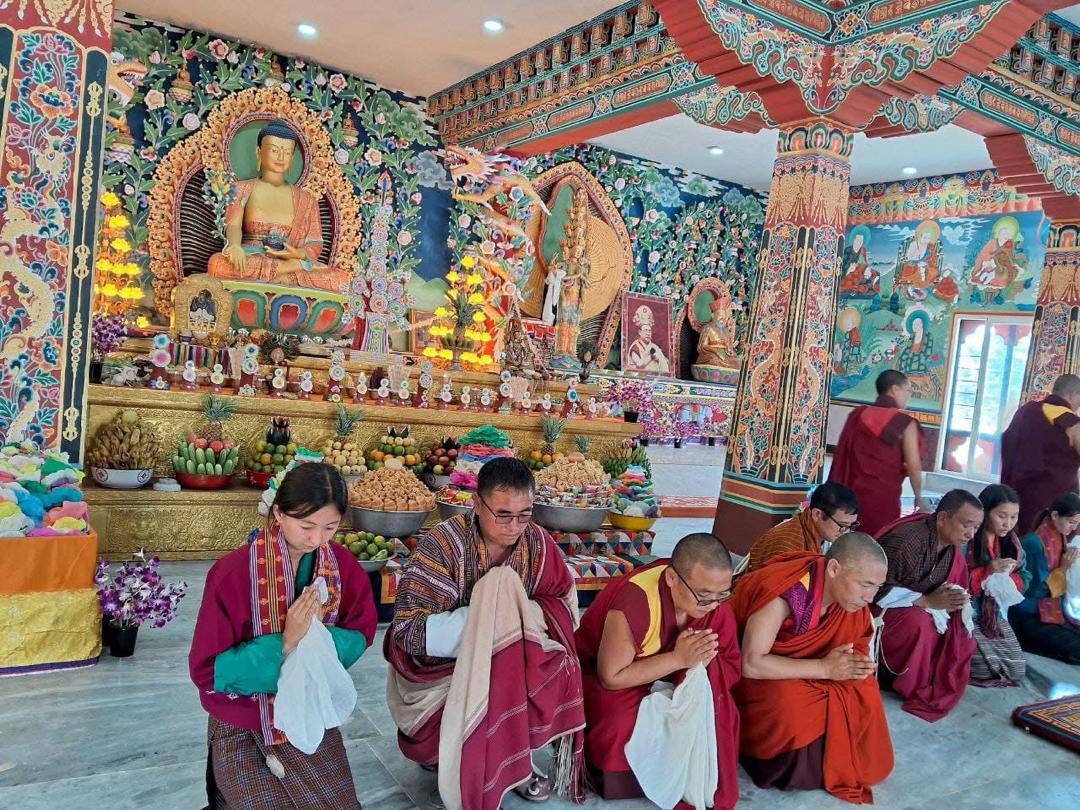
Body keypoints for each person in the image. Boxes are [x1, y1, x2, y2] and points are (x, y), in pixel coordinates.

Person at [385, 458, 585, 810]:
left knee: (549, 661)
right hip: (442, 671)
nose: (514, 526)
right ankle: (454, 751)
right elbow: (409, 631)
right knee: (501, 597)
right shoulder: (442, 546)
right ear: (477, 505)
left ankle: (518, 763)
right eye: (503, 514)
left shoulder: (536, 543)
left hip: (513, 659)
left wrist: (513, 623)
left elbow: (562, 603)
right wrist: (491, 621)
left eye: (525, 514)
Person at [189, 462, 376, 808]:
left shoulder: (342, 566)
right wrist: (287, 642)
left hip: (308, 708)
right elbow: (206, 671)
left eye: (330, 527)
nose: (317, 539)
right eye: (306, 526)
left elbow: (362, 632)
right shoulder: (232, 573)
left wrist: (317, 638)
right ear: (279, 513)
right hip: (244, 717)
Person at [574, 533, 741, 809]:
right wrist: (678, 660)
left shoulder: (715, 606)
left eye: (722, 594)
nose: (712, 604)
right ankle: (627, 780)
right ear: (672, 578)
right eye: (703, 595)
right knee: (618, 719)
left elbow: (730, 665)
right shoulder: (636, 600)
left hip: (672, 675)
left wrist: (691, 678)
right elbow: (611, 676)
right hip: (606, 676)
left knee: (719, 710)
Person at [733, 534, 893, 804]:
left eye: (877, 587)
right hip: (759, 674)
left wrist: (855, 664)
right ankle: (779, 766)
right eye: (865, 585)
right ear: (833, 569)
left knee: (861, 688)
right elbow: (751, 663)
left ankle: (831, 763)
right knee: (789, 703)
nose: (870, 597)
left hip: (814, 666)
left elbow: (856, 641)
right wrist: (824, 667)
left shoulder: (850, 601)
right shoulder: (789, 593)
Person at [874, 489, 981, 721]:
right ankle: (898, 679)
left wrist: (954, 601)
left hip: (917, 605)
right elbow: (874, 590)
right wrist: (926, 601)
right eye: (967, 525)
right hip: (878, 611)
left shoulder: (951, 548)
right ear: (943, 518)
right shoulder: (907, 541)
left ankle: (927, 677)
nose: (971, 534)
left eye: (976, 528)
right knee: (920, 622)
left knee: (961, 630)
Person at [207, 119, 349, 291]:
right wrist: (235, 246)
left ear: (292, 157)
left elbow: (315, 242)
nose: (281, 157)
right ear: (259, 153)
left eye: (287, 152)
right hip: (251, 258)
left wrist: (299, 254)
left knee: (341, 279)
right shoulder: (241, 189)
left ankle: (288, 270)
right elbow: (234, 225)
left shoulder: (307, 200)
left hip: (289, 258)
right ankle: (288, 272)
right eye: (274, 150)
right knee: (216, 264)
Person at [828, 369, 928, 536]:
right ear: (895, 389)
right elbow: (913, 464)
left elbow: (843, 457)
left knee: (852, 540)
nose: (908, 396)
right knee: (879, 541)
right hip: (884, 499)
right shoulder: (905, 423)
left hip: (852, 496)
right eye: (907, 390)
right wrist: (918, 495)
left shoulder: (858, 416)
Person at [1001, 374, 1080, 534]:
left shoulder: (1025, 411)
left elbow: (1007, 442)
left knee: (1016, 544)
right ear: (1073, 395)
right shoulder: (1070, 422)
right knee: (1044, 549)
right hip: (1052, 503)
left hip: (1015, 497)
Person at [966, 485, 1028, 685]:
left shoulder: (1012, 543)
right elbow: (952, 576)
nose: (1008, 523)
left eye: (1014, 517)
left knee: (1017, 669)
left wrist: (1009, 579)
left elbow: (1025, 576)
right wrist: (987, 571)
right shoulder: (968, 538)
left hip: (993, 615)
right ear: (985, 512)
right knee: (985, 668)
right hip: (966, 613)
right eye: (1002, 516)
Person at [1011, 493, 1080, 663]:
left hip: (1052, 612)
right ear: (1055, 515)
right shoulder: (1034, 544)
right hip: (1028, 616)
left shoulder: (1060, 535)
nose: (1074, 528)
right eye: (1071, 522)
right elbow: (1036, 589)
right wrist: (1064, 568)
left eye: (1077, 524)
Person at [747, 482, 860, 571]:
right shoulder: (788, 545)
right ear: (817, 514)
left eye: (851, 526)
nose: (846, 531)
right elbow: (778, 593)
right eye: (843, 525)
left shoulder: (817, 533)